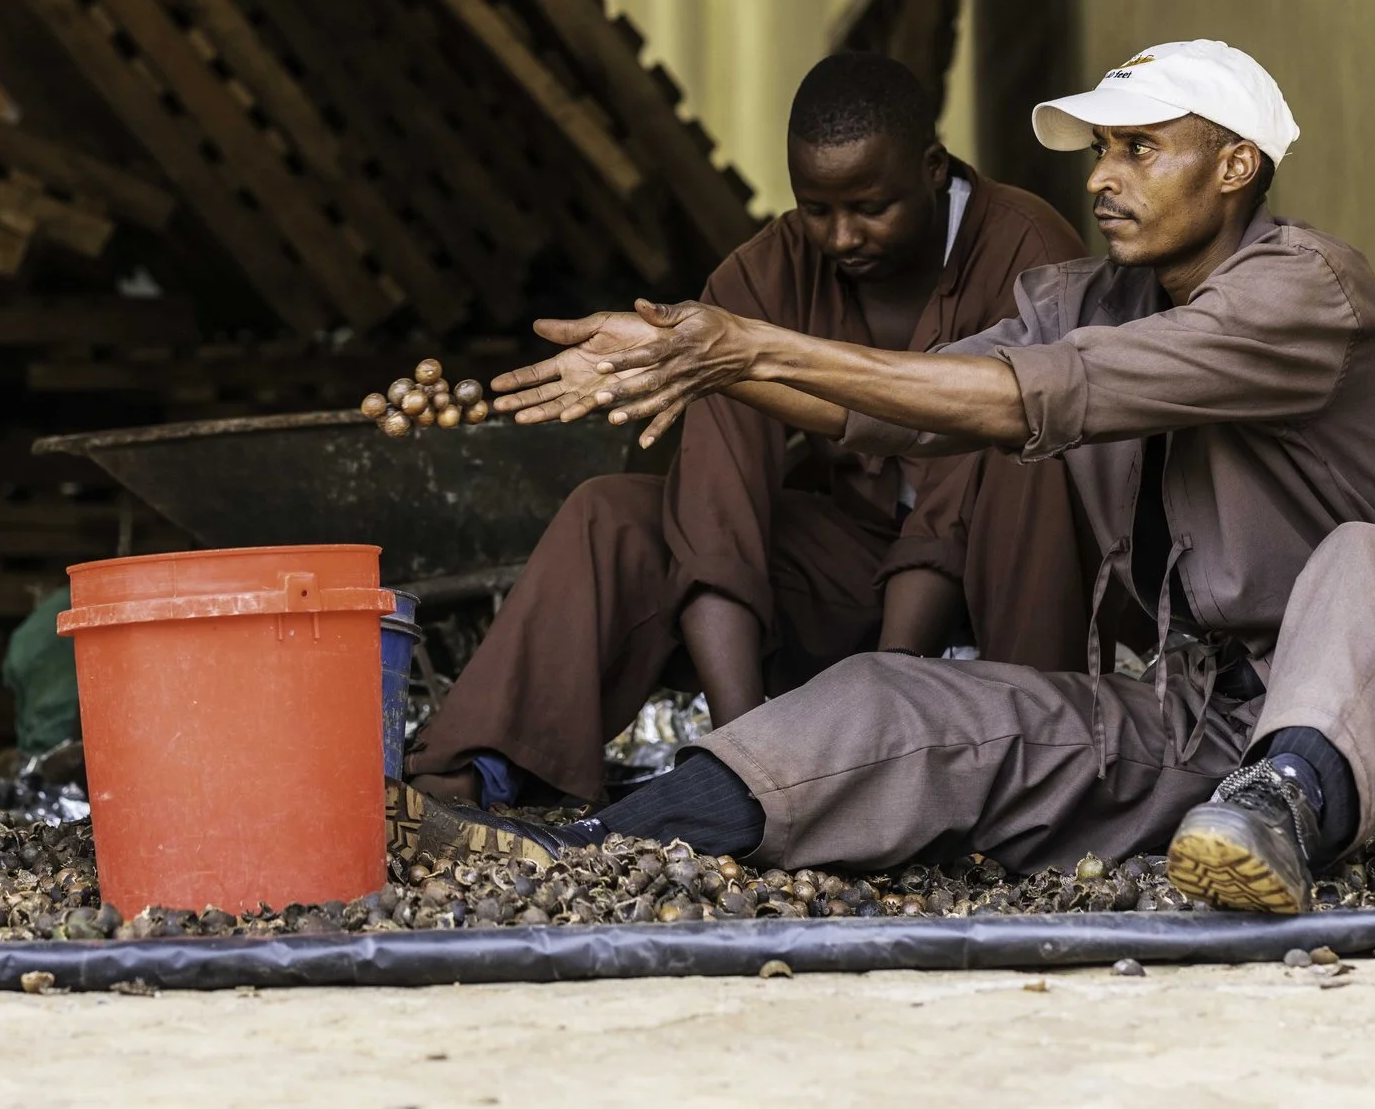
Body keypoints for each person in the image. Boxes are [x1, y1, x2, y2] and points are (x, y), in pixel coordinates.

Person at [395, 39, 1375, 914]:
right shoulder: (1087, 298)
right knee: (896, 700)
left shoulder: (1304, 289)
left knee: (1360, 560)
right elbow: (897, 407)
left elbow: (1032, 396)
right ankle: (616, 831)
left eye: (1139, 147)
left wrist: (747, 344)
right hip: (1203, 718)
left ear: (1236, 163)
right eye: (1101, 150)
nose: (1105, 177)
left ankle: (1281, 805)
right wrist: (690, 361)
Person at [402, 52, 1091, 814]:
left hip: (1017, 580)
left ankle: (1030, 777)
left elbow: (1027, 442)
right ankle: (491, 770)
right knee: (617, 513)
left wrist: (886, 699)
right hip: (851, 568)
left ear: (933, 167)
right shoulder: (764, 274)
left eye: (869, 205)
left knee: (1020, 432)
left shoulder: (1032, 248)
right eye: (816, 209)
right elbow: (714, 504)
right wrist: (748, 759)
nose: (840, 235)